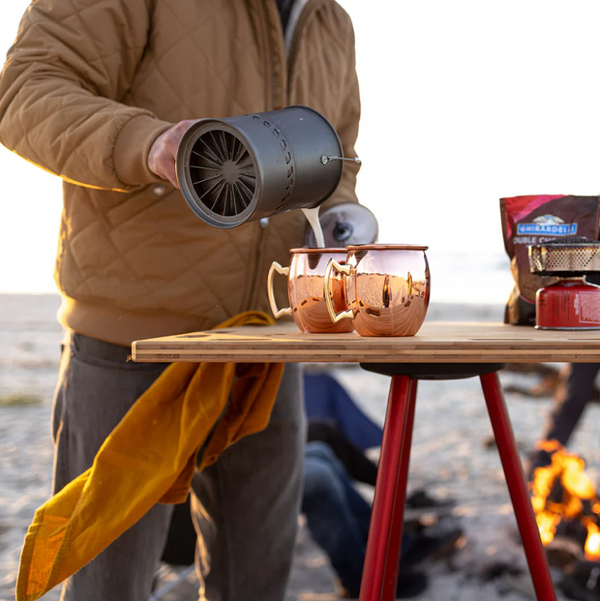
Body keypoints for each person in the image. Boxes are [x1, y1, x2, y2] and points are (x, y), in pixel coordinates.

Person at [0, 1, 361, 600]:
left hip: (265, 345)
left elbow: (335, 153)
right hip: (132, 345)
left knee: (256, 587)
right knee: (106, 587)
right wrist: (150, 144)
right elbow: (25, 93)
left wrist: (342, 212)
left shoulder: (331, 20)